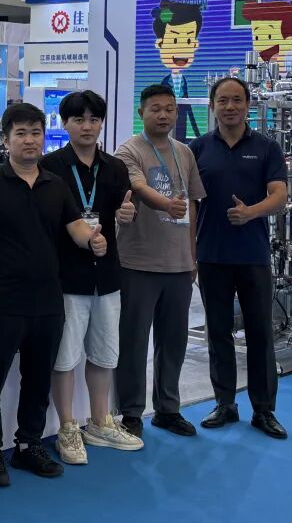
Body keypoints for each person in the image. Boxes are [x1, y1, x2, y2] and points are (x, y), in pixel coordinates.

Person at [0, 103, 108, 488]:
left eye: (36, 133)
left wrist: (92, 240)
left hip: (48, 299)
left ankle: (28, 443)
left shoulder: (55, 184)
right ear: (5, 140)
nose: (29, 140)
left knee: (37, 379)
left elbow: (75, 226)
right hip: (2, 299)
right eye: (21, 133)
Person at [41, 90, 142, 466]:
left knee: (104, 353)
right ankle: (67, 426)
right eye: (79, 119)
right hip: (67, 276)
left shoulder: (114, 167)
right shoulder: (50, 166)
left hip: (107, 275)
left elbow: (122, 211)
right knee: (65, 357)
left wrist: (127, 215)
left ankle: (100, 421)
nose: (87, 126)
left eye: (94, 119)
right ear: (64, 123)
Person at [189, 77, 289, 440]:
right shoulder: (197, 148)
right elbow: (191, 204)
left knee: (260, 332)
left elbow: (279, 195)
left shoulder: (266, 148)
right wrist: (190, 253)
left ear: (247, 105)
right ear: (212, 105)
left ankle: (264, 410)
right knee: (218, 333)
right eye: (222, 100)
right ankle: (225, 404)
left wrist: (251, 213)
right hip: (211, 255)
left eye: (236, 100)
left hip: (253, 255)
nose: (229, 107)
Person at [114, 84, 206, 440]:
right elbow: (138, 187)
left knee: (173, 342)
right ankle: (131, 412)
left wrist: (192, 253)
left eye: (169, 109)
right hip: (138, 263)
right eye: (155, 109)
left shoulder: (185, 152)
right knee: (134, 342)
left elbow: (193, 203)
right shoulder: (128, 151)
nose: (163, 115)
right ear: (142, 113)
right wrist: (166, 204)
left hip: (179, 265)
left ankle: (168, 409)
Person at [151, 0, 203, 140]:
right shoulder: (164, 83)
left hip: (181, 123)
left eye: (188, 41)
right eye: (174, 41)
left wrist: (198, 135)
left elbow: (188, 108)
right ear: (160, 44)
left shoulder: (184, 81)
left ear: (195, 44)